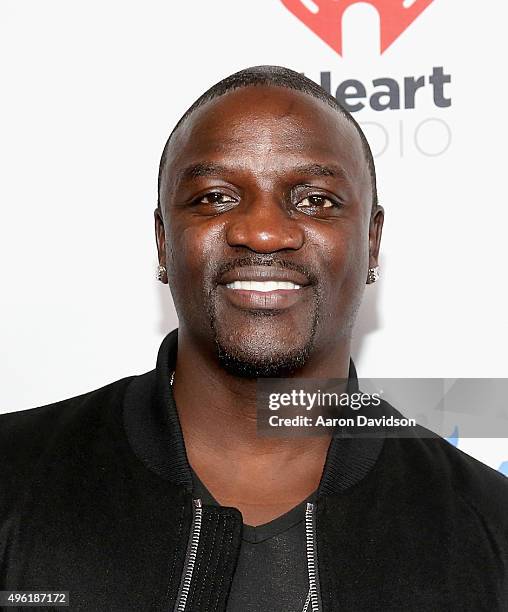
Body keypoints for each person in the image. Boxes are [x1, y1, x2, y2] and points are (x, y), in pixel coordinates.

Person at [0, 65, 507, 612]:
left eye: (315, 200)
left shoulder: (491, 526)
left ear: (372, 243)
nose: (263, 232)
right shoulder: (12, 476)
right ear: (163, 243)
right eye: (215, 197)